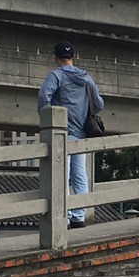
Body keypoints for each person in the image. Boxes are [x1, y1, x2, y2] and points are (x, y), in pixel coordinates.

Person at [37, 40, 104, 227]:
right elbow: (99, 104)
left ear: (55, 57)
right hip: (81, 132)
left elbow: (44, 96)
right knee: (80, 174)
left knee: (62, 175)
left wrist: (46, 116)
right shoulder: (86, 78)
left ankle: (63, 216)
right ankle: (79, 216)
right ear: (74, 57)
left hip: (62, 132)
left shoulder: (56, 76)